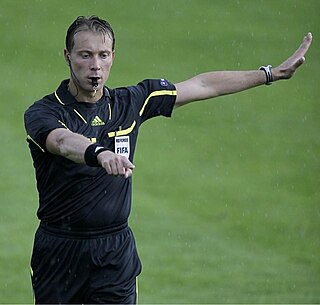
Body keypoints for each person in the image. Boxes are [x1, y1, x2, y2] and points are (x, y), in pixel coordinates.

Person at [24, 15, 312, 304]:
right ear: (67, 56)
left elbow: (202, 85)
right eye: (85, 55)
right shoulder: (44, 112)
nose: (95, 65)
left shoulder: (130, 102)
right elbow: (61, 141)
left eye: (103, 55)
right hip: (59, 252)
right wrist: (98, 153)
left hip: (114, 252)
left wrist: (270, 74)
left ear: (113, 57)